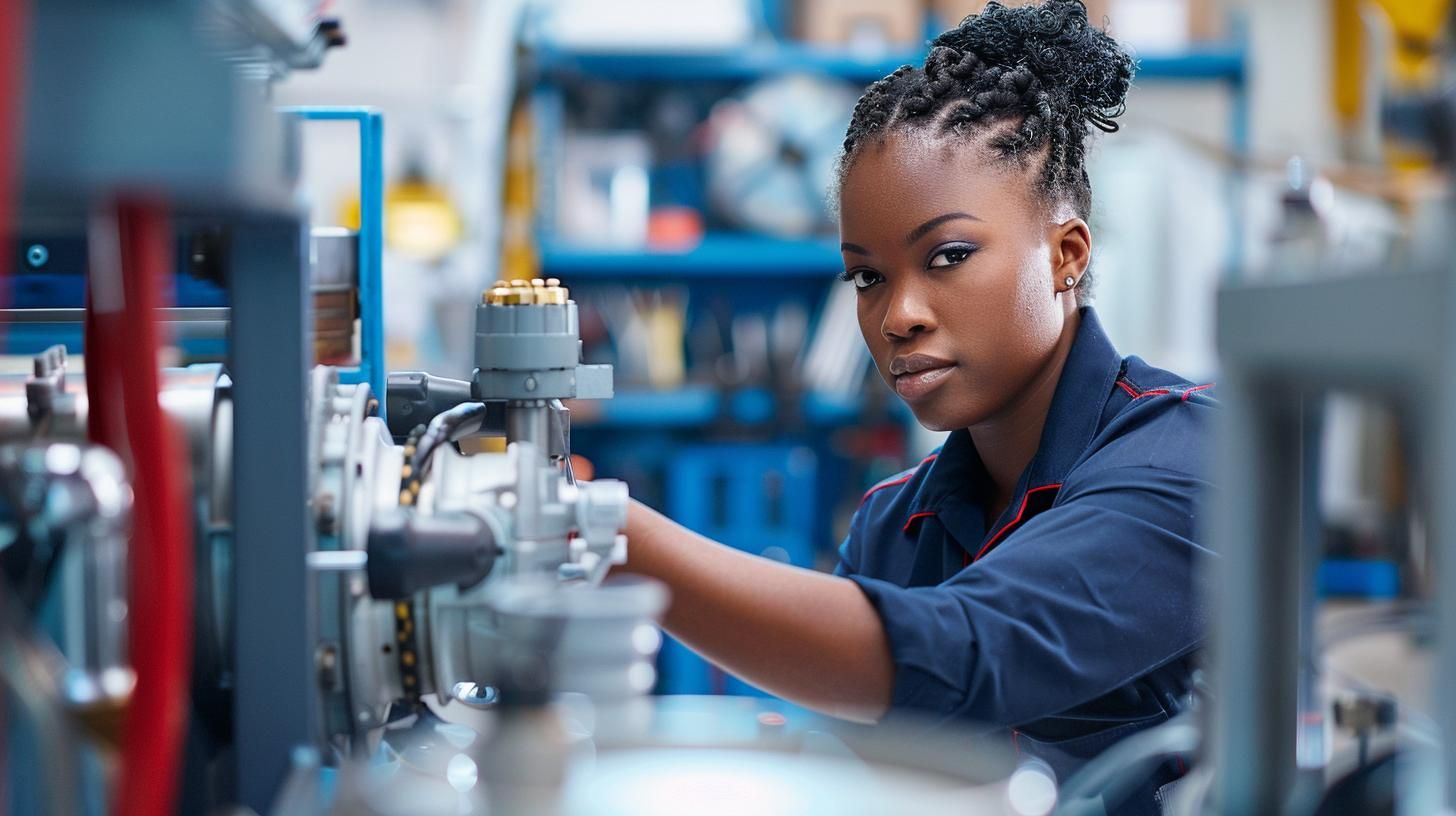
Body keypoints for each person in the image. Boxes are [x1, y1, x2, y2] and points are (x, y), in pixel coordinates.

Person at [620, 1, 1215, 810]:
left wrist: (617, 538)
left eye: (949, 256)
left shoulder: (1187, 458)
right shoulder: (894, 528)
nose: (898, 314)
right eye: (868, 276)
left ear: (1066, 255)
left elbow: (969, 657)